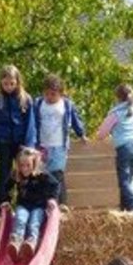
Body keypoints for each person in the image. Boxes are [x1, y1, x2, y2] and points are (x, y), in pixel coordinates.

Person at [0, 64, 37, 212]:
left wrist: (29, 145)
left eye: (12, 84)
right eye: (5, 84)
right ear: (1, 83)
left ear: (18, 82)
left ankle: (26, 203)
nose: (9, 87)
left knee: (25, 171)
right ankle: (1, 205)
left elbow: (30, 124)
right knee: (5, 174)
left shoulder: (25, 99)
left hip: (21, 142)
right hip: (4, 142)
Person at [32, 74, 86, 206]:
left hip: (59, 145)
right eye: (47, 94)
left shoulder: (66, 105)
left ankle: (61, 204)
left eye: (53, 94)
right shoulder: (38, 103)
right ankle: (45, 204)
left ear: (61, 94)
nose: (49, 97)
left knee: (57, 174)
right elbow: (32, 122)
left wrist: (81, 133)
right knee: (42, 175)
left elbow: (74, 119)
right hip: (42, 146)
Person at [94, 83, 133, 211]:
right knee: (128, 181)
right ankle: (124, 207)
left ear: (117, 98)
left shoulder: (116, 113)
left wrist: (102, 135)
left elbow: (101, 134)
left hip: (124, 148)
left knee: (123, 182)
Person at [7, 147, 59, 263]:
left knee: (34, 222)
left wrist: (52, 199)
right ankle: (16, 242)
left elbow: (55, 184)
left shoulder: (42, 175)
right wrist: (6, 201)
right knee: (20, 219)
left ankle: (31, 243)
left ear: (34, 164)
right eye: (22, 165)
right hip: (23, 205)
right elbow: (6, 187)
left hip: (39, 206)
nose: (24, 168)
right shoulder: (17, 175)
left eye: (28, 165)